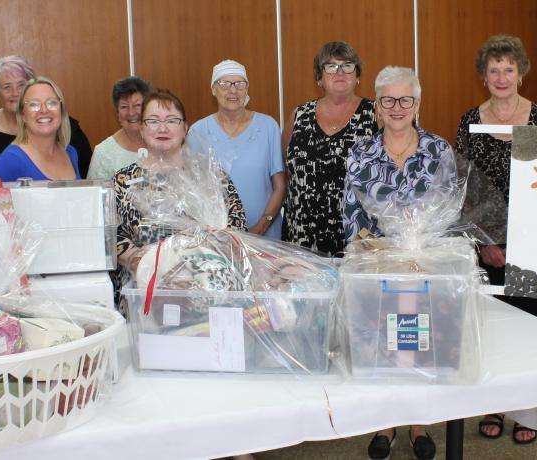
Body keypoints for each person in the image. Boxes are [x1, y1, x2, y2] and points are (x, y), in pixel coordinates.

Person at [344, 66, 454, 460]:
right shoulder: (361, 152)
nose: (396, 107)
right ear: (376, 106)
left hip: (423, 267)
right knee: (381, 345)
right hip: (378, 267)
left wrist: (423, 254)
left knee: (418, 343)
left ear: (417, 104)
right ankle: (384, 424)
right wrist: (378, 255)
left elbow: (449, 213)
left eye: (404, 99)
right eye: (387, 100)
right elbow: (352, 214)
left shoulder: (438, 150)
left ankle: (419, 422)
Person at [454, 34, 537, 445]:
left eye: (508, 69)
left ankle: (529, 409)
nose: (500, 77)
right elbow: (462, 188)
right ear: (483, 75)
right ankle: (493, 404)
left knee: (535, 328)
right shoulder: (469, 121)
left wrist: (529, 243)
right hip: (487, 246)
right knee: (491, 328)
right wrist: (483, 243)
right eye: (493, 69)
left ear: (521, 73)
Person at [113, 89, 247, 308]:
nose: (162, 128)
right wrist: (157, 271)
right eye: (153, 120)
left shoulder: (212, 175)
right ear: (142, 128)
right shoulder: (124, 181)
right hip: (147, 294)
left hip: (209, 291)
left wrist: (196, 267)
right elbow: (114, 238)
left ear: (185, 128)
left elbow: (237, 225)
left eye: (172, 120)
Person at [282, 41, 378, 256]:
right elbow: (288, 169)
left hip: (358, 237)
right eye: (331, 66)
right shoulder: (299, 115)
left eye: (347, 65)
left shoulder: (376, 114)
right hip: (303, 236)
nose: (340, 72)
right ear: (319, 78)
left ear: (357, 75)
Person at [0, 55, 92, 181]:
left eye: (21, 85)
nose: (15, 93)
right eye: (7, 87)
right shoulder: (8, 157)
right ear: (23, 114)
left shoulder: (70, 151)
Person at [189, 60, 286, 239]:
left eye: (239, 84)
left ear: (247, 89)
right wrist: (216, 232)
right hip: (217, 237)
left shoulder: (267, 127)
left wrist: (260, 227)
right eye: (224, 84)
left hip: (265, 235)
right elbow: (194, 189)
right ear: (213, 89)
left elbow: (279, 186)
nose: (233, 90)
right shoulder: (198, 132)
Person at [0, 77, 80, 181]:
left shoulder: (70, 153)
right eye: (34, 105)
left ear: (61, 111)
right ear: (23, 115)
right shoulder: (9, 160)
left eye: (52, 103)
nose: (44, 110)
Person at [87, 76, 152, 179]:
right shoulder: (103, 152)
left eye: (137, 105)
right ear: (117, 113)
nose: (131, 113)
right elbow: (96, 194)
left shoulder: (163, 141)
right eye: (124, 107)